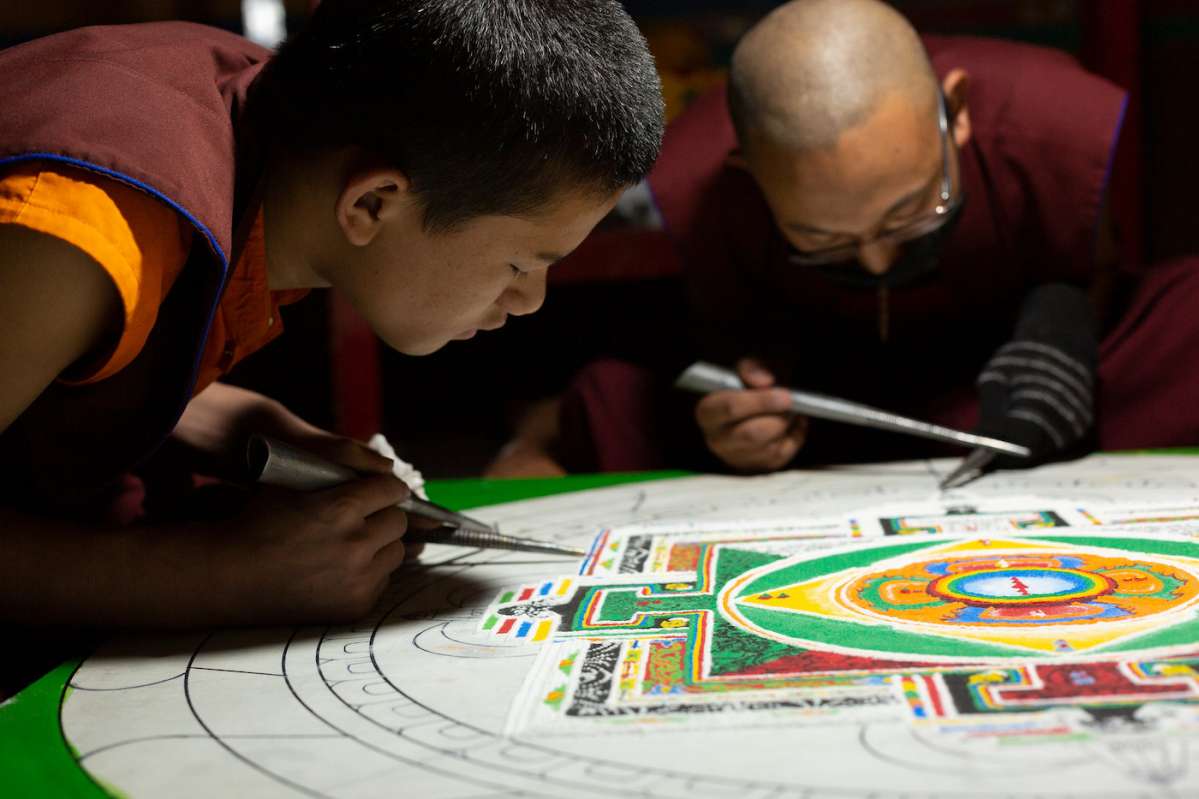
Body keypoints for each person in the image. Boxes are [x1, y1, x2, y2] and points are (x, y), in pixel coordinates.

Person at [0, 0, 664, 633]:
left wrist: (259, 433)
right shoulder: (85, 229)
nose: (531, 299)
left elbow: (88, 364)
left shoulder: (281, 129)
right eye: (521, 264)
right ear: (372, 204)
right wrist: (211, 574)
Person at [494, 0, 1196, 477]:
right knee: (614, 397)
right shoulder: (702, 177)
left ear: (953, 115)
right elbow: (729, 327)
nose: (877, 259)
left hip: (1001, 366)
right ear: (749, 174)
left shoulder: (1049, 115)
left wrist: (1060, 327)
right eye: (823, 237)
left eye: (909, 214)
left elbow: (1096, 263)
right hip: (831, 393)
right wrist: (747, 404)